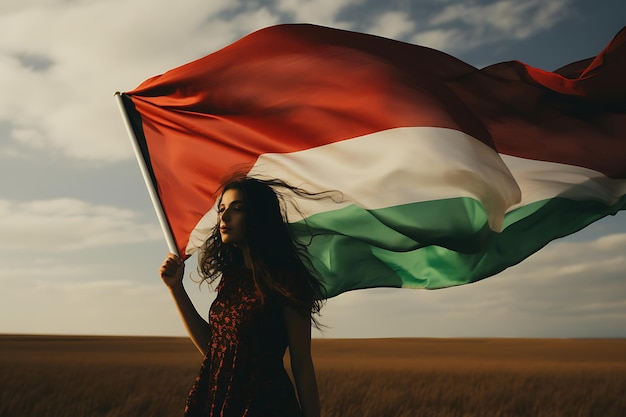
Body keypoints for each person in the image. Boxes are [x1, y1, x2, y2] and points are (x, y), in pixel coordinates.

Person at [159, 174, 325, 417]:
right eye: (222, 209)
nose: (224, 217)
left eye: (237, 209)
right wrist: (176, 289)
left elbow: (302, 364)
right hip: (221, 401)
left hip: (265, 405)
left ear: (257, 216)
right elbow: (215, 348)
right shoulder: (231, 278)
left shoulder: (286, 281)